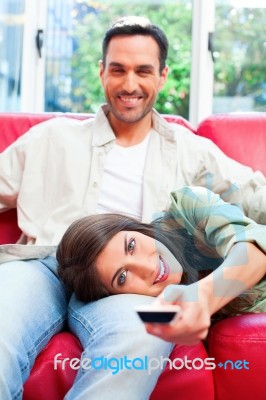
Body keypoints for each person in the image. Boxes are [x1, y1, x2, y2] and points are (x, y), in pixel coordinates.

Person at [1, 15, 266, 400]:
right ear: (101, 72)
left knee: (144, 331)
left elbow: (253, 197)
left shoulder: (192, 151)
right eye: (118, 69)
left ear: (162, 76)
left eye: (143, 70)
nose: (129, 84)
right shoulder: (51, 136)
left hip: (133, 284)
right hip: (44, 265)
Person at [56, 185, 266, 337]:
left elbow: (252, 247)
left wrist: (204, 296)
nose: (148, 268)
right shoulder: (158, 311)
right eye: (122, 276)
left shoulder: (189, 206)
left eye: (131, 246)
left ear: (134, 228)